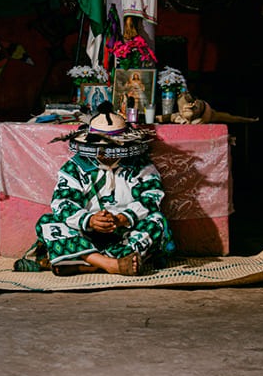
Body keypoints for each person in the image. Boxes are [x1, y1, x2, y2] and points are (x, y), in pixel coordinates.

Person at [16, 103, 173, 276]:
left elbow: (151, 197)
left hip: (125, 233)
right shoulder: (74, 167)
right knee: (48, 222)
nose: (104, 152)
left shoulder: (141, 165)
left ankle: (84, 263)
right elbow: (63, 203)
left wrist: (122, 218)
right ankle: (110, 264)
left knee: (157, 221)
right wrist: (89, 220)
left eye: (111, 146)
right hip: (85, 234)